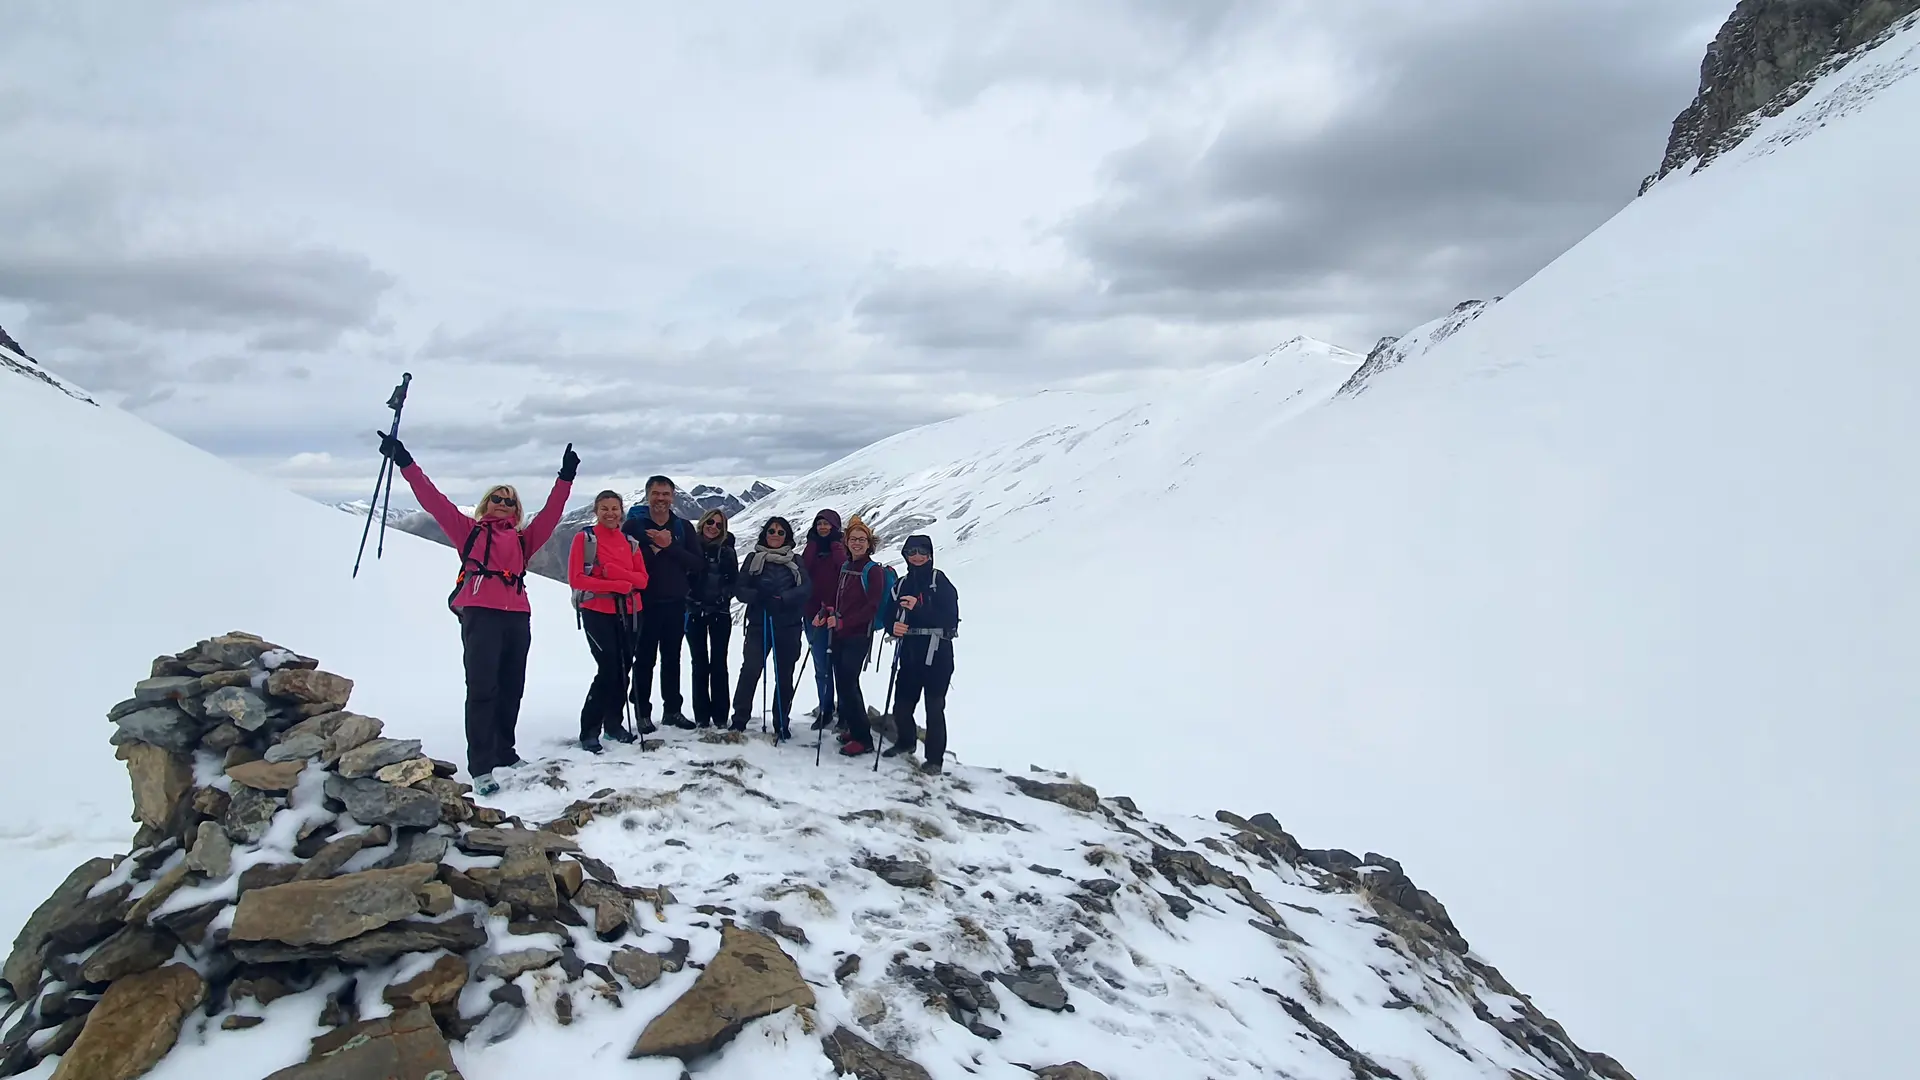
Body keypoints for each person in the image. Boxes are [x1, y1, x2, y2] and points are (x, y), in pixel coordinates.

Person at [377, 432, 575, 796]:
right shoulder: (467, 530)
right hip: (481, 614)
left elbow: (551, 516)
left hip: (517, 615)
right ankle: (481, 766)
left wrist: (565, 480)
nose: (503, 504)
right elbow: (433, 500)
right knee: (483, 689)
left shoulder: (521, 539)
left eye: (510, 501)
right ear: (486, 505)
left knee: (512, 687)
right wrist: (405, 462)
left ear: (517, 511)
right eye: (497, 499)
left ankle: (505, 751)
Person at [567, 490, 649, 753]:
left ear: (621, 511)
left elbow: (643, 580)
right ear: (596, 510)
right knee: (609, 669)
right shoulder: (585, 539)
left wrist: (615, 574)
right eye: (605, 508)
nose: (610, 513)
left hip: (630, 611)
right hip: (597, 610)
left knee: (622, 668)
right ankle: (590, 729)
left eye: (614, 508)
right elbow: (577, 579)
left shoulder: (630, 543)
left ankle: (613, 724)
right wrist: (618, 582)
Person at [623, 476, 704, 730]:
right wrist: (655, 548)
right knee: (644, 658)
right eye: (656, 494)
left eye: (665, 494)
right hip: (643, 603)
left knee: (672, 658)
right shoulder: (633, 527)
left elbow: (697, 564)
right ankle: (642, 712)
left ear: (673, 497)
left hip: (676, 602)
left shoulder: (683, 528)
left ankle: (672, 710)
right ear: (647, 496)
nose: (661, 499)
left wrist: (668, 546)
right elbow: (625, 563)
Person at [882, 534, 960, 774]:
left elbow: (950, 619)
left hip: (938, 653)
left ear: (930, 555)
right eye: (911, 552)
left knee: (934, 708)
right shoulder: (901, 584)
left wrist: (919, 607)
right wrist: (892, 627)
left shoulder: (940, 581)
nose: (917, 557)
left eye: (922, 552)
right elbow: (888, 614)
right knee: (902, 705)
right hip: (910, 652)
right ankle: (906, 742)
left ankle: (934, 760)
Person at [730, 515, 809, 740]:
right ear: (765, 534)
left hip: (789, 625)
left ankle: (781, 721)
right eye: (771, 531)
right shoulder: (754, 558)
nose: (775, 535)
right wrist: (760, 596)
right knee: (750, 671)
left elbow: (806, 589)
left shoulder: (797, 560)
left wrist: (783, 598)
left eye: (780, 532)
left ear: (787, 537)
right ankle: (739, 719)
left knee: (784, 675)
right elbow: (740, 588)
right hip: (759, 623)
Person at [826, 516, 887, 756]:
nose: (858, 543)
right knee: (843, 683)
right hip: (841, 633)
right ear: (847, 542)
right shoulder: (846, 567)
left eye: (862, 540)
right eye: (853, 539)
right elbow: (841, 599)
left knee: (849, 684)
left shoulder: (873, 571)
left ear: (869, 543)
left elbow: (871, 607)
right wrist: (829, 612)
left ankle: (864, 739)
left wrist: (842, 621)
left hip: (858, 636)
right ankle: (854, 728)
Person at [685, 508, 738, 729]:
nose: (713, 527)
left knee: (718, 663)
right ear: (703, 522)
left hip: (719, 612)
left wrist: (721, 599)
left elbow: (733, 581)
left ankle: (719, 715)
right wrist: (690, 600)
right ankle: (701, 716)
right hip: (695, 612)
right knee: (699, 664)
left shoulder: (727, 551)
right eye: (710, 522)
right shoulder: (690, 548)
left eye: (718, 525)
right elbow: (682, 577)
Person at [800, 509, 849, 727]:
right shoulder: (811, 548)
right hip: (813, 616)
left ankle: (845, 711)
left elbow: (844, 569)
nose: (822, 527)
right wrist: (812, 545)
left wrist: (836, 544)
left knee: (842, 667)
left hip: (839, 616)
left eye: (827, 524)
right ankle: (826, 708)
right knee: (821, 666)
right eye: (819, 523)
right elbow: (803, 569)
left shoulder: (841, 548)